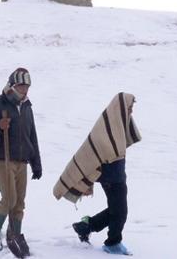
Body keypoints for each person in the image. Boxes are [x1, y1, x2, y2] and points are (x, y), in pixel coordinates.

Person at [52, 92, 141, 256]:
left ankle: (85, 226)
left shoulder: (118, 123)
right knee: (121, 211)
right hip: (110, 178)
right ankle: (112, 243)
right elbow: (94, 153)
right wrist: (88, 182)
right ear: (120, 107)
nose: (131, 111)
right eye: (129, 107)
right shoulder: (108, 125)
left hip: (118, 175)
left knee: (117, 210)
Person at [0, 68, 42, 255]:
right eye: (21, 86)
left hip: (22, 161)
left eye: (27, 86)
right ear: (13, 85)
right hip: (2, 158)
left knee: (19, 202)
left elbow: (32, 136)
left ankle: (14, 234)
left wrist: (36, 163)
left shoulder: (27, 107)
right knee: (9, 199)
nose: (25, 90)